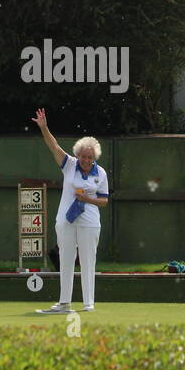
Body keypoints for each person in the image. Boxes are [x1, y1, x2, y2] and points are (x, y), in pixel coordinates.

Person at [31, 108, 109, 314]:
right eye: (83, 156)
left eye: (89, 157)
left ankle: (88, 303)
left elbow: (104, 201)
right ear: (78, 155)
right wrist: (44, 127)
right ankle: (64, 303)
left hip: (89, 222)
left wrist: (87, 199)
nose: (85, 160)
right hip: (66, 220)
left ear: (94, 157)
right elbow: (53, 146)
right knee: (65, 258)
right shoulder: (69, 165)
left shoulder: (100, 173)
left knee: (87, 260)